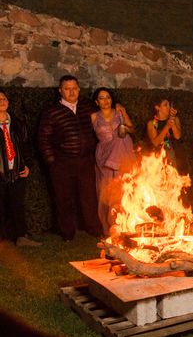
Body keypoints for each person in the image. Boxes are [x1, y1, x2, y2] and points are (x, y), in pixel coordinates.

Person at [38, 75, 102, 240]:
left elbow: (106, 115)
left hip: (85, 161)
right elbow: (43, 139)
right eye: (67, 88)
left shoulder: (87, 106)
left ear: (79, 89)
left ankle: (93, 229)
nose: (71, 92)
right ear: (60, 91)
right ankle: (67, 232)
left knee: (89, 197)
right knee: (64, 199)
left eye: (74, 88)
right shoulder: (51, 111)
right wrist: (52, 162)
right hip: (62, 163)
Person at [91, 87, 136, 233]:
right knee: (107, 190)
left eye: (108, 97)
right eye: (102, 98)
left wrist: (124, 128)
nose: (106, 100)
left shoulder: (119, 112)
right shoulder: (93, 117)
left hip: (123, 153)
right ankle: (107, 226)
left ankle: (124, 225)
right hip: (105, 156)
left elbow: (132, 129)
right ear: (96, 102)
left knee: (123, 188)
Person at [0, 90, 41, 247]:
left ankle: (21, 237)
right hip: (1, 172)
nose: (2, 101)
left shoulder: (17, 124)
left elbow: (27, 147)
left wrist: (27, 165)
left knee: (17, 205)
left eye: (4, 98)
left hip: (17, 172)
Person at [146, 97, 181, 166]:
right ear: (157, 107)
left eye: (169, 105)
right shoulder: (153, 123)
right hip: (157, 158)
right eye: (165, 105)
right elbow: (155, 142)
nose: (169, 107)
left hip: (174, 157)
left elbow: (178, 136)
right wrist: (167, 127)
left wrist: (173, 124)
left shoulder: (175, 119)